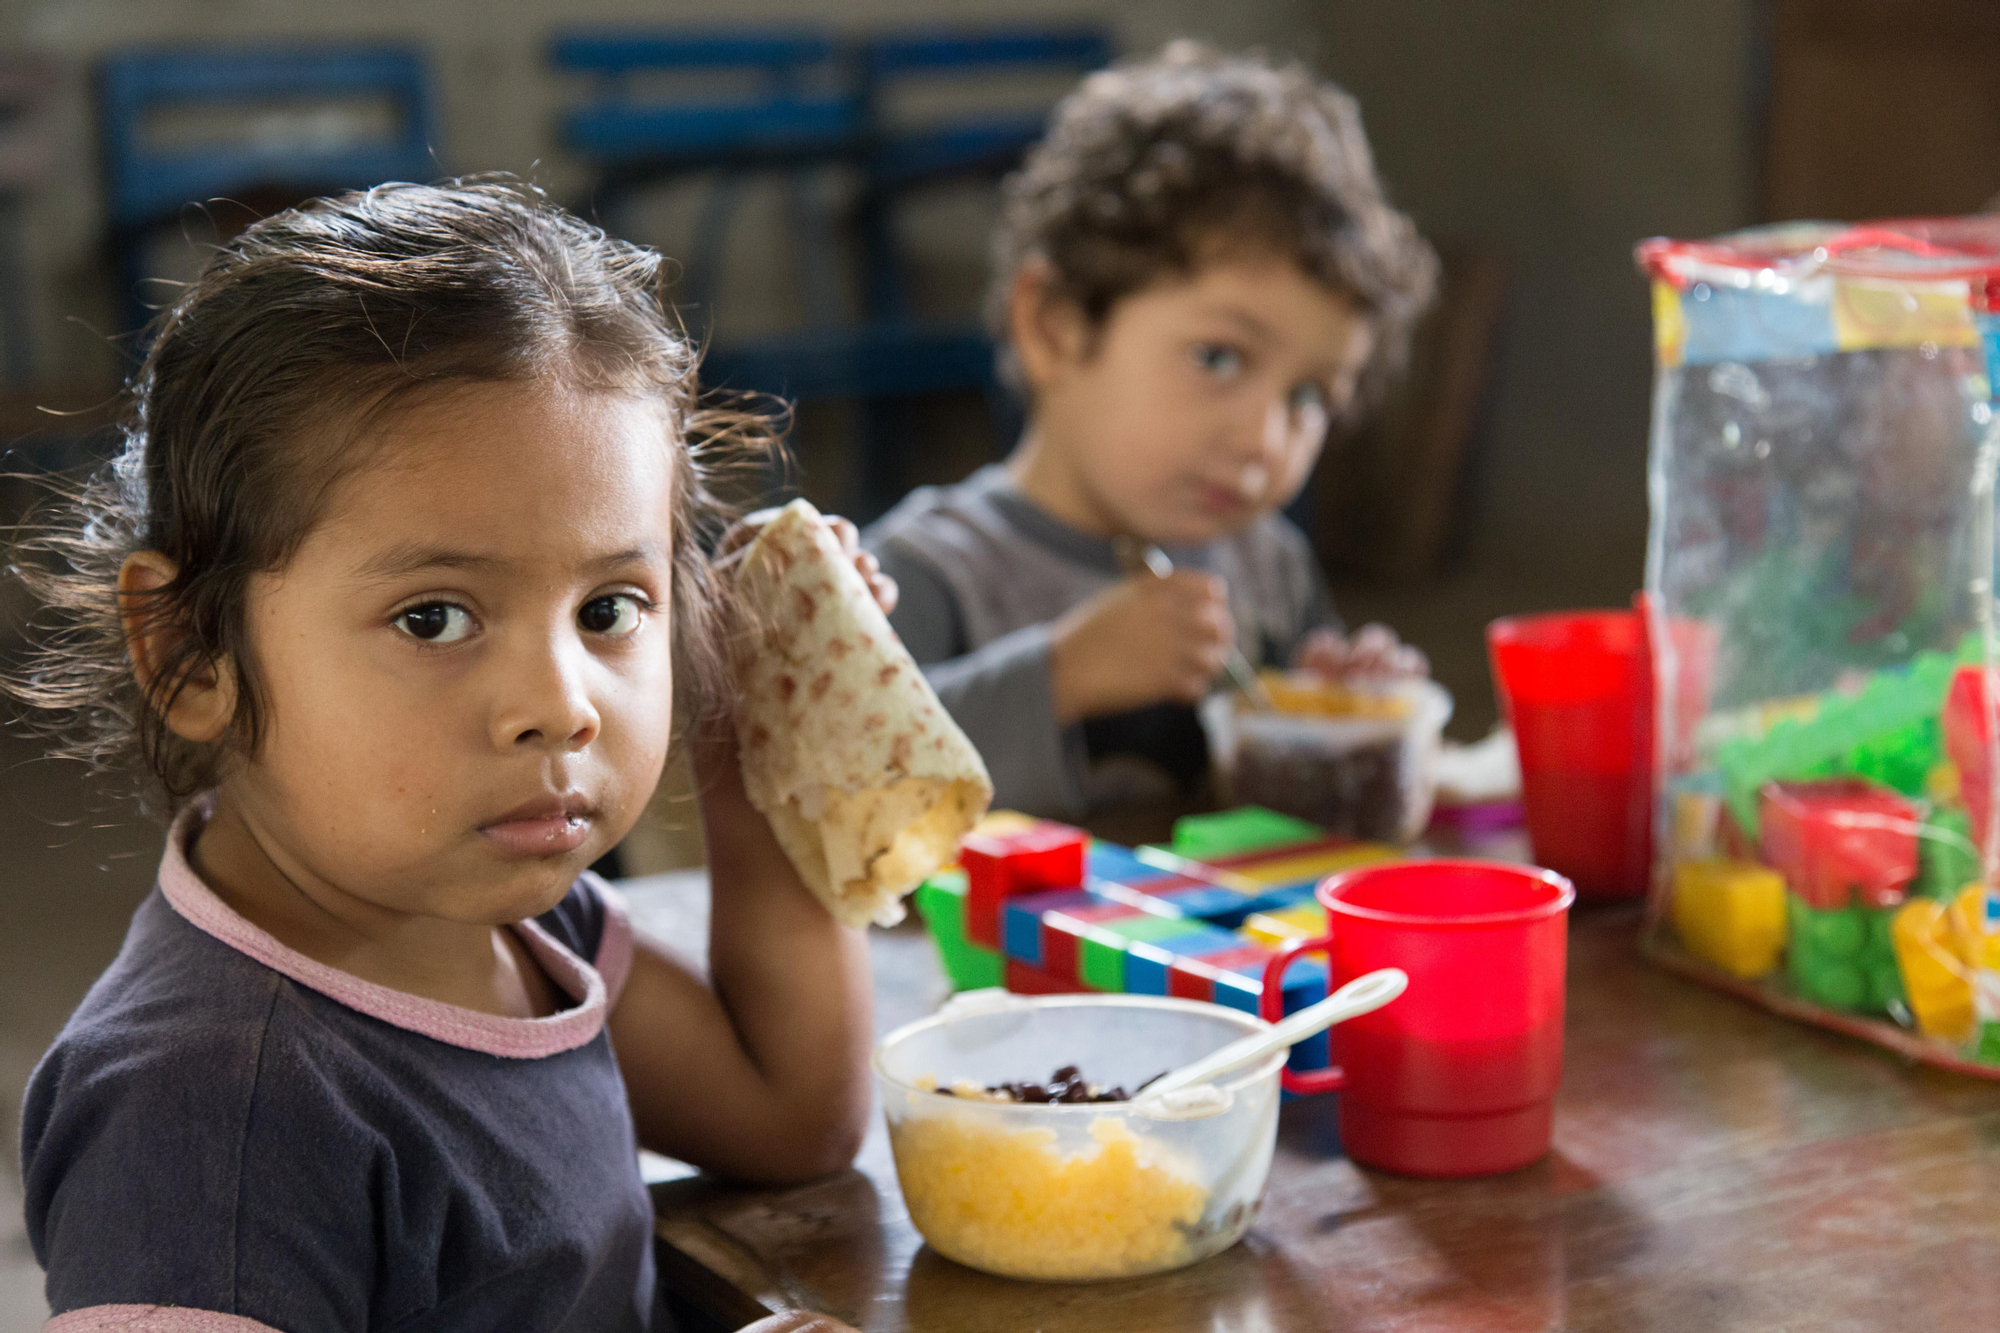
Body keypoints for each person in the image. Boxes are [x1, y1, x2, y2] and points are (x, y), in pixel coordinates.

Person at [6, 181, 883, 1333]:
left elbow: (788, 1115)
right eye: (434, 618)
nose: (560, 706)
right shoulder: (206, 1112)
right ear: (189, 652)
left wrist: (754, 734)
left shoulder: (518, 926)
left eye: (612, 607)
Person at [867, 41, 1436, 820]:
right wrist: (1059, 675)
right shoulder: (923, 574)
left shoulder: (1269, 572)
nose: (1264, 439)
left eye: (1308, 396)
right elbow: (855, 792)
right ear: (1056, 325)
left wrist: (1336, 720)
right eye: (1219, 357)